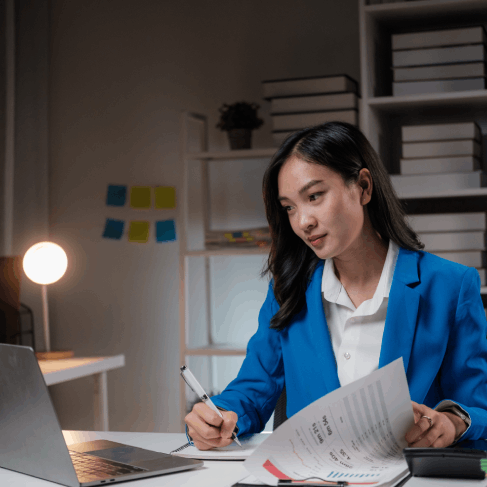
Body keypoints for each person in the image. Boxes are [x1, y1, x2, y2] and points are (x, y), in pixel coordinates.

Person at [184, 121, 487, 451]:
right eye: (289, 207)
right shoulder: (288, 290)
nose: (303, 222)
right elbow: (252, 390)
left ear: (363, 187)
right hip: (310, 477)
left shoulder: (451, 286)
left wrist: (451, 423)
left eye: (314, 196)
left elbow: (477, 408)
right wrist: (218, 417)